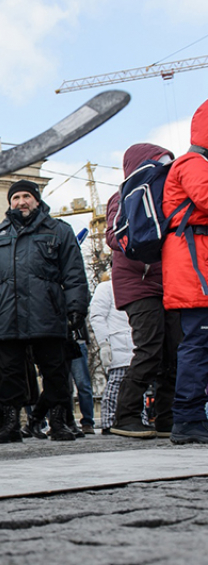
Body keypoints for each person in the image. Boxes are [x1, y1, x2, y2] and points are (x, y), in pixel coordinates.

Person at [0, 180, 89, 443]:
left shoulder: (60, 231)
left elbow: (74, 274)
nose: (21, 202)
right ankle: (11, 424)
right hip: (6, 315)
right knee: (9, 373)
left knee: (55, 371)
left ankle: (59, 423)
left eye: (27, 196)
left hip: (47, 312)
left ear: (37, 200)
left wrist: (76, 308)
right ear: (9, 202)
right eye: (16, 198)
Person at [105, 143, 180, 439]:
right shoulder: (122, 196)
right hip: (138, 284)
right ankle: (126, 415)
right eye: (159, 164)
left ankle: (167, 417)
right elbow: (113, 236)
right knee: (149, 349)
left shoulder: (166, 196)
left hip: (167, 283)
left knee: (172, 351)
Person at [161, 99, 208, 444]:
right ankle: (188, 418)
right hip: (194, 270)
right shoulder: (192, 162)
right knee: (197, 343)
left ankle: (191, 417)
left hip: (197, 267)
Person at [89, 274, 135, 434]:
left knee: (136, 384)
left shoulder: (133, 286)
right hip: (118, 344)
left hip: (133, 344)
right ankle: (109, 422)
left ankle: (136, 419)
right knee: (117, 383)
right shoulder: (106, 288)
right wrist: (104, 343)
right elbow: (96, 316)